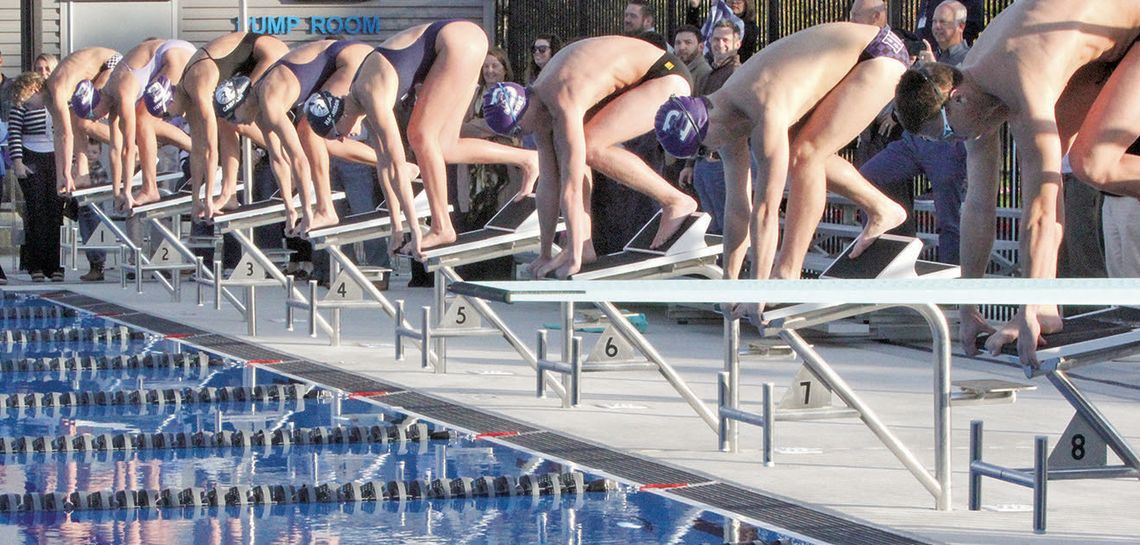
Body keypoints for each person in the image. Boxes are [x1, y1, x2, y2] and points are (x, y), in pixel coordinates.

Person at [892, 0, 1140, 366]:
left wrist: (1026, 309)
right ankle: (1046, 305)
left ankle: (1039, 304)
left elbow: (1041, 211)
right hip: (1104, 45)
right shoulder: (972, 87)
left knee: (1092, 163)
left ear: (957, 99)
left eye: (946, 133)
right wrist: (968, 307)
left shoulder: (1021, 81)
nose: (953, 143)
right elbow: (978, 206)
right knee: (1066, 152)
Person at [654, 22, 910, 290]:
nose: (707, 154)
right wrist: (729, 286)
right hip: (849, 58)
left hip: (877, 53)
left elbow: (766, 210)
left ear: (707, 126)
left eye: (701, 149)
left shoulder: (763, 107)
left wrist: (759, 291)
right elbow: (738, 209)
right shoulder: (721, 120)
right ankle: (883, 209)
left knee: (805, 155)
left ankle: (788, 273)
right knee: (801, 152)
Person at [305, 20, 539, 257]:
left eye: (337, 133)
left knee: (420, 135)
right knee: (445, 146)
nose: (343, 139)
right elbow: (386, 166)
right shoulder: (361, 99)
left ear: (341, 115)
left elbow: (398, 165)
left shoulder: (370, 94)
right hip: (466, 41)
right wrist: (397, 228)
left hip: (457, 42)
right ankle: (528, 159)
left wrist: (414, 231)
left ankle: (441, 226)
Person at [482, 35, 699, 278]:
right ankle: (584, 247)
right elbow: (549, 184)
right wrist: (545, 252)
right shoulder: (538, 105)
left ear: (524, 108)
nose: (524, 134)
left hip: (664, 75)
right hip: (634, 81)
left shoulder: (563, 97)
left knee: (591, 148)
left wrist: (572, 257)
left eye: (519, 130)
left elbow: (572, 188)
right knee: (577, 152)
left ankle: (675, 200)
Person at [220, 38, 373, 234]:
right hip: (342, 59)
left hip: (352, 57)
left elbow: (298, 158)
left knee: (309, 131)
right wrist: (290, 209)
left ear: (242, 102)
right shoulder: (259, 110)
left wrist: (307, 212)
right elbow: (278, 159)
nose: (236, 123)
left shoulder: (269, 102)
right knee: (323, 140)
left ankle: (325, 210)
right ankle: (402, 166)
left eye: (233, 116)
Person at [859, 0, 970, 264]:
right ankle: (885, 251)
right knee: (865, 178)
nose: (937, 27)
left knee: (949, 221)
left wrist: (935, 70)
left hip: (946, 148)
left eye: (943, 22)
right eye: (934, 21)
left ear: (961, 26)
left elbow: (963, 103)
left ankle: (953, 278)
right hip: (913, 142)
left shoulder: (970, 58)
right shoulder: (925, 57)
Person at [144, 31, 289, 220]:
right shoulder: (189, 99)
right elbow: (198, 151)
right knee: (227, 120)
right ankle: (229, 195)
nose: (169, 119)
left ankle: (292, 157)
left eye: (166, 114)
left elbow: (212, 150)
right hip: (251, 61)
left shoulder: (198, 86)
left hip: (270, 54)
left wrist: (208, 199)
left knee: (234, 116)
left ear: (170, 99)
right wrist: (196, 201)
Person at [72, 38, 197, 211]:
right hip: (168, 54)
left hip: (175, 54)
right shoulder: (110, 97)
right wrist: (117, 192)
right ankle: (195, 150)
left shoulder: (121, 91)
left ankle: (150, 188)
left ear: (96, 99)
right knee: (144, 121)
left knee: (142, 121)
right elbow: (116, 149)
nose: (95, 120)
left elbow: (129, 148)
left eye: (93, 115)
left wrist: (128, 191)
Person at [677, 20, 741, 236]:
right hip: (703, 161)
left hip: (722, 161)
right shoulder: (711, 74)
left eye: (725, 40)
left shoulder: (737, 74)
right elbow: (698, 119)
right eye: (716, 39)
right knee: (711, 227)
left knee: (727, 225)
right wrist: (690, 163)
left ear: (737, 43)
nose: (720, 44)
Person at [9, 72, 64, 282]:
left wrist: (71, 165)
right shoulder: (21, 106)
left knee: (55, 211)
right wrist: (18, 162)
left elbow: (66, 134)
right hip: (31, 156)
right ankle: (36, 264)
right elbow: (14, 133)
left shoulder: (55, 102)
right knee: (36, 210)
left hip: (54, 157)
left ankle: (55, 264)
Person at [45, 47, 120, 193]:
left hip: (111, 63)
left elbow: (66, 136)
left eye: (28, 105)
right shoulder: (49, 98)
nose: (30, 109)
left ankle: (133, 149)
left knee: (84, 122)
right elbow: (59, 136)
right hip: (96, 72)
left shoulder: (57, 89)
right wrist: (60, 177)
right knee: (76, 121)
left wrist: (67, 173)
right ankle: (83, 174)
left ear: (35, 91)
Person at [687, 0, 760, 62]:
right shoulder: (714, 20)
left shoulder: (750, 28)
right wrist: (694, 8)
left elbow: (744, 55)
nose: (734, 2)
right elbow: (692, 34)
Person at [673, 25, 712, 102]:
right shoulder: (671, 68)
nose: (681, 47)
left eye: (688, 42)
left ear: (701, 47)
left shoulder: (705, 73)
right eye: (678, 43)